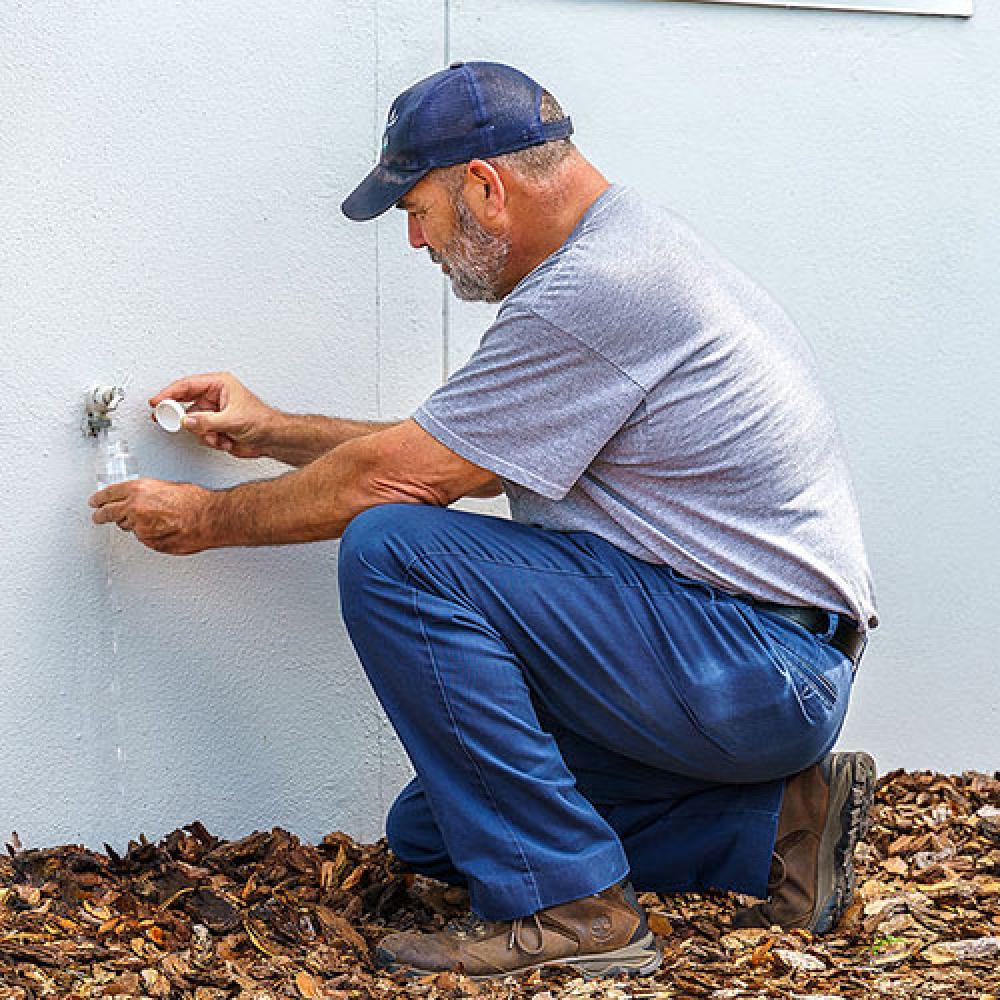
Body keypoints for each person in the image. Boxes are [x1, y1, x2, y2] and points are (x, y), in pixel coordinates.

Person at [89, 62, 879, 980]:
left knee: (397, 551)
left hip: (754, 663)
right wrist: (274, 432)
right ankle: (778, 827)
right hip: (744, 663)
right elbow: (452, 452)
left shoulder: (596, 291)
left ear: (485, 186)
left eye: (415, 210)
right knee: (434, 831)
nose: (418, 241)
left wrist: (205, 520)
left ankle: (573, 907)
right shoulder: (623, 255)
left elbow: (400, 482)